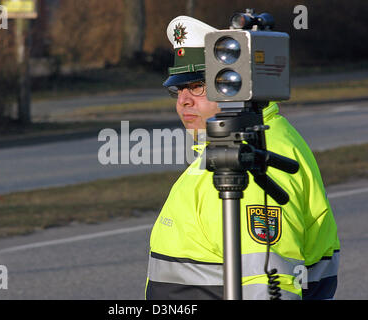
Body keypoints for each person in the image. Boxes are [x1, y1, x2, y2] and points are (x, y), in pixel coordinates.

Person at [145, 16, 340, 300]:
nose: (183, 101)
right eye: (178, 88)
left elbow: (269, 284)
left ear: (235, 84)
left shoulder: (253, 160)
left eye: (198, 85)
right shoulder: (235, 143)